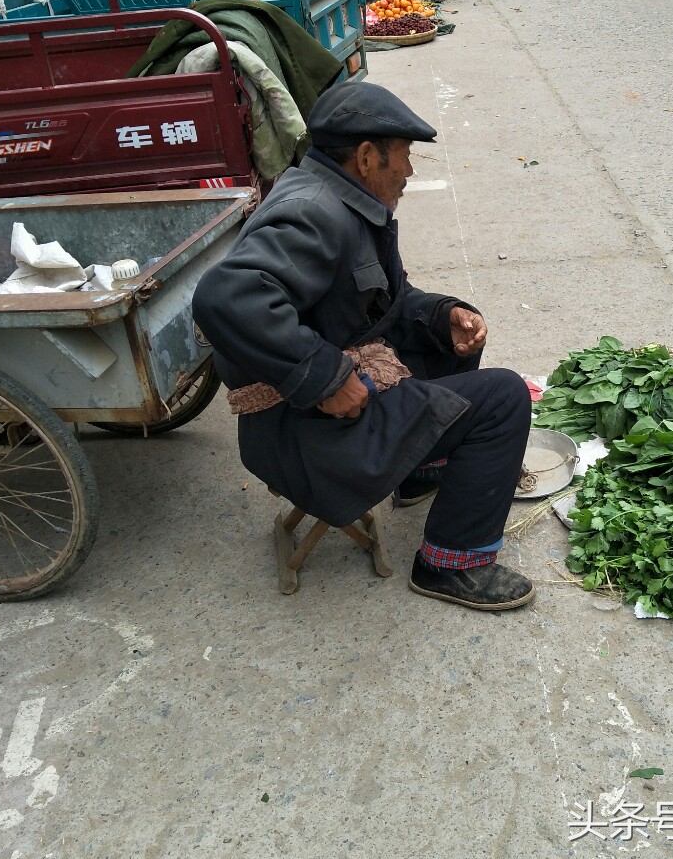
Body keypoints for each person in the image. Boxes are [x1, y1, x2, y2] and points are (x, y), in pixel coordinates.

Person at [191, 82, 535, 612]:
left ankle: (419, 471)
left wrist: (442, 316)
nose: (410, 171)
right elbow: (225, 297)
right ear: (367, 157)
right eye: (404, 157)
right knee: (505, 398)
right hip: (303, 438)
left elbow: (385, 304)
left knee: (448, 344)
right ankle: (451, 564)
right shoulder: (315, 211)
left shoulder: (343, 201)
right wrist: (325, 379)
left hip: (315, 420)